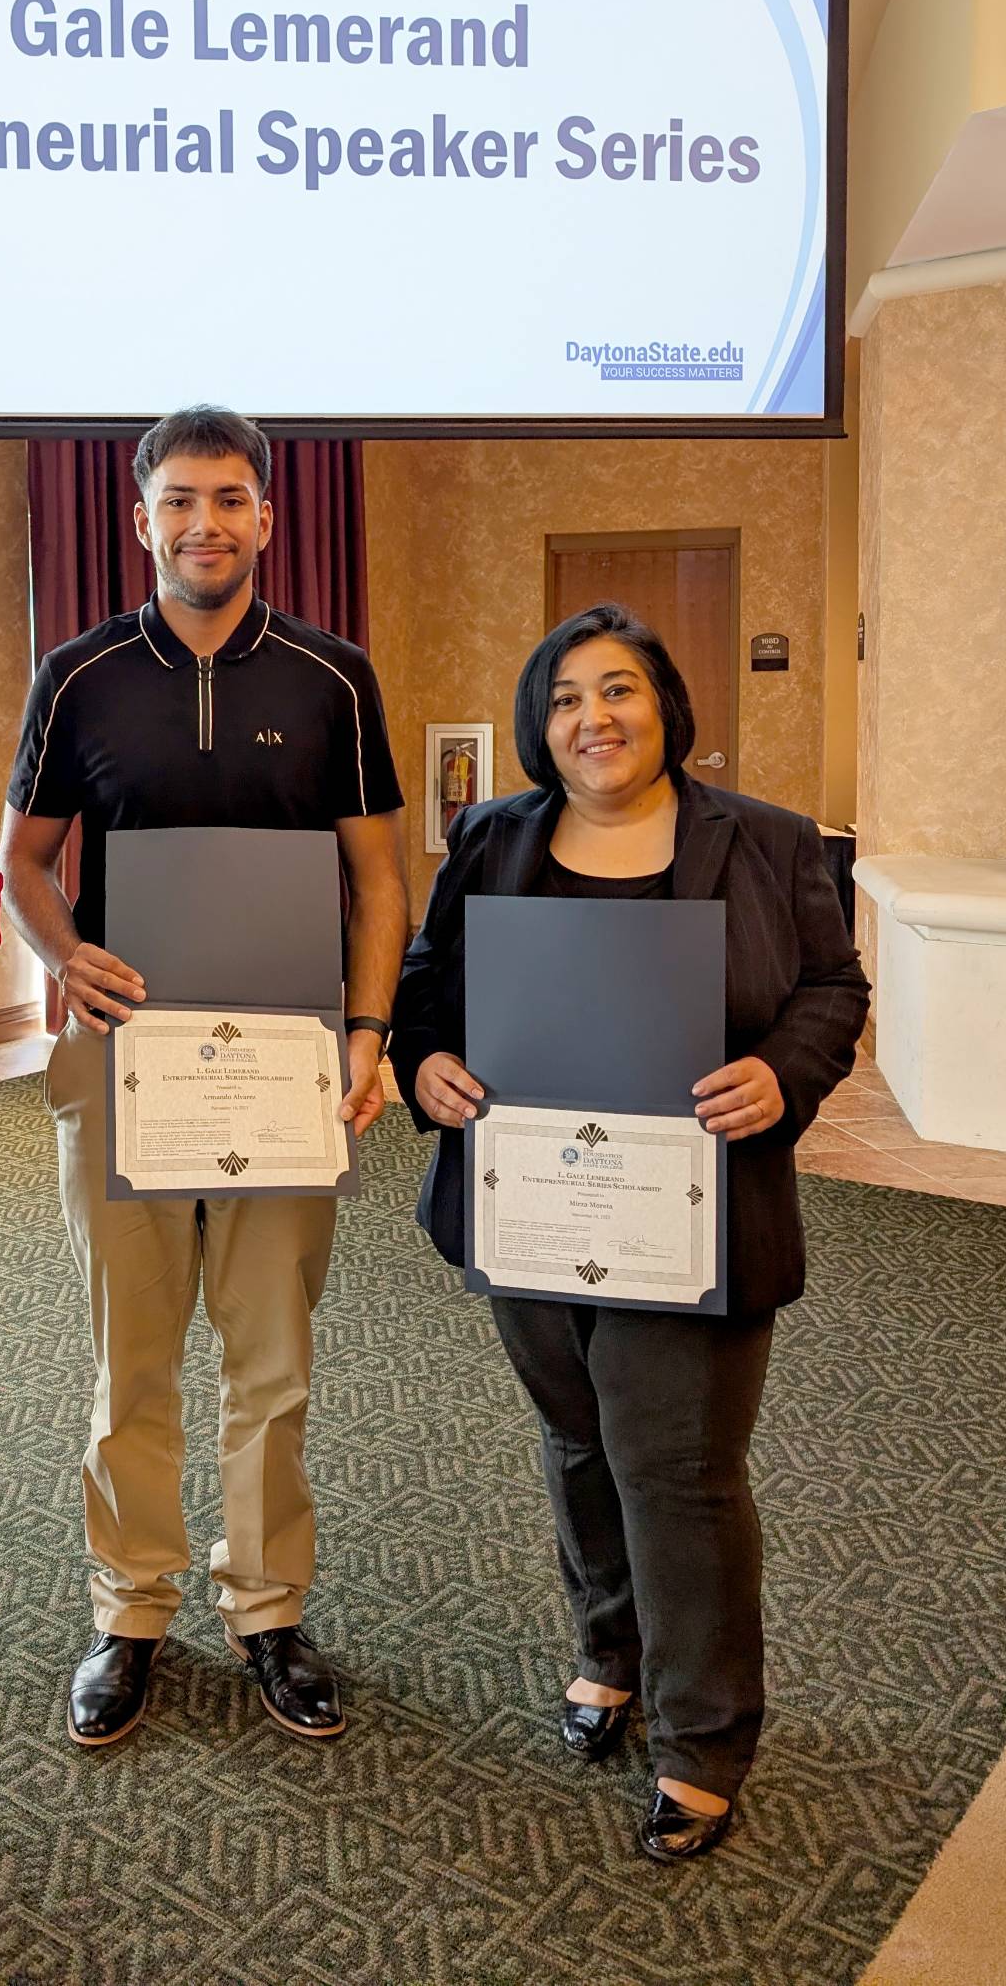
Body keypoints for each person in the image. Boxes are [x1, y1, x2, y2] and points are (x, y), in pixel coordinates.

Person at [391, 603, 867, 1862]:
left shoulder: (765, 843)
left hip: (694, 1216)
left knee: (679, 1469)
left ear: (666, 709)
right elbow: (427, 985)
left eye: (619, 693)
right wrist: (424, 1061)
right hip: (531, 1211)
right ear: (537, 727)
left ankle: (702, 1738)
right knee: (578, 1437)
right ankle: (609, 1650)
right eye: (563, 700)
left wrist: (781, 1073)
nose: (591, 719)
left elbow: (832, 989)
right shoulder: (493, 836)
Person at [0, 406, 408, 1748]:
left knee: (270, 1355)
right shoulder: (76, 674)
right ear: (142, 518)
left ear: (267, 516)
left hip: (285, 1069)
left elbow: (379, 879)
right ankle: (129, 1608)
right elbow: (24, 863)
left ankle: (267, 1606)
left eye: (230, 498)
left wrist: (367, 1028)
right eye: (179, 499)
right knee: (132, 1356)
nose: (205, 523)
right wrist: (67, 953)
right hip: (125, 1061)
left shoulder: (334, 677)